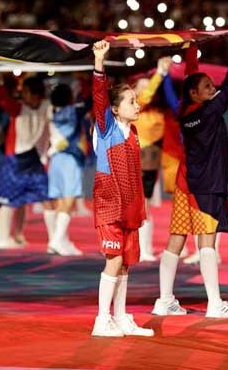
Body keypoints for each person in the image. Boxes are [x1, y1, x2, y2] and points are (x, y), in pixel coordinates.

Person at [153, 29, 228, 319]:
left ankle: (164, 300)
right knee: (207, 242)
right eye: (209, 87)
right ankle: (214, 304)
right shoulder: (211, 110)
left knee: (177, 238)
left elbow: (190, 77)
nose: (215, 89)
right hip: (207, 186)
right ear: (197, 93)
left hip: (185, 184)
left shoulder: (184, 110)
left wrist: (191, 50)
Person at [90, 40, 153, 337]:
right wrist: (99, 63)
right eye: (130, 102)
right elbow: (99, 96)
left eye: (136, 101)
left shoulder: (135, 132)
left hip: (129, 206)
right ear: (115, 109)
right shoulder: (107, 127)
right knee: (114, 260)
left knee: (126, 263)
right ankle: (102, 320)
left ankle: (121, 316)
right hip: (109, 204)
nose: (137, 105)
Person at [0, 76, 51, 249]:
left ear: (36, 95)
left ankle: (55, 240)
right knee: (5, 200)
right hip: (14, 159)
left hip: (35, 159)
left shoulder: (48, 107)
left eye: (25, 91)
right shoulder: (17, 107)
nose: (21, 94)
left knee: (45, 200)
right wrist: (3, 79)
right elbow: (4, 100)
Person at [132, 57, 172, 261]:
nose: (149, 89)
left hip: (154, 160)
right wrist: (159, 72)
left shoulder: (157, 110)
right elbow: (147, 95)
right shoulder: (137, 105)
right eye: (143, 86)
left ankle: (145, 247)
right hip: (140, 158)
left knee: (146, 205)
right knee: (140, 206)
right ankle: (140, 248)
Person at [45, 82, 91, 255]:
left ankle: (61, 241)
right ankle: (56, 240)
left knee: (60, 202)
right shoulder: (74, 111)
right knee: (69, 200)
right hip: (70, 159)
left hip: (55, 159)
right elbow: (91, 101)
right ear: (69, 97)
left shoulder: (52, 112)